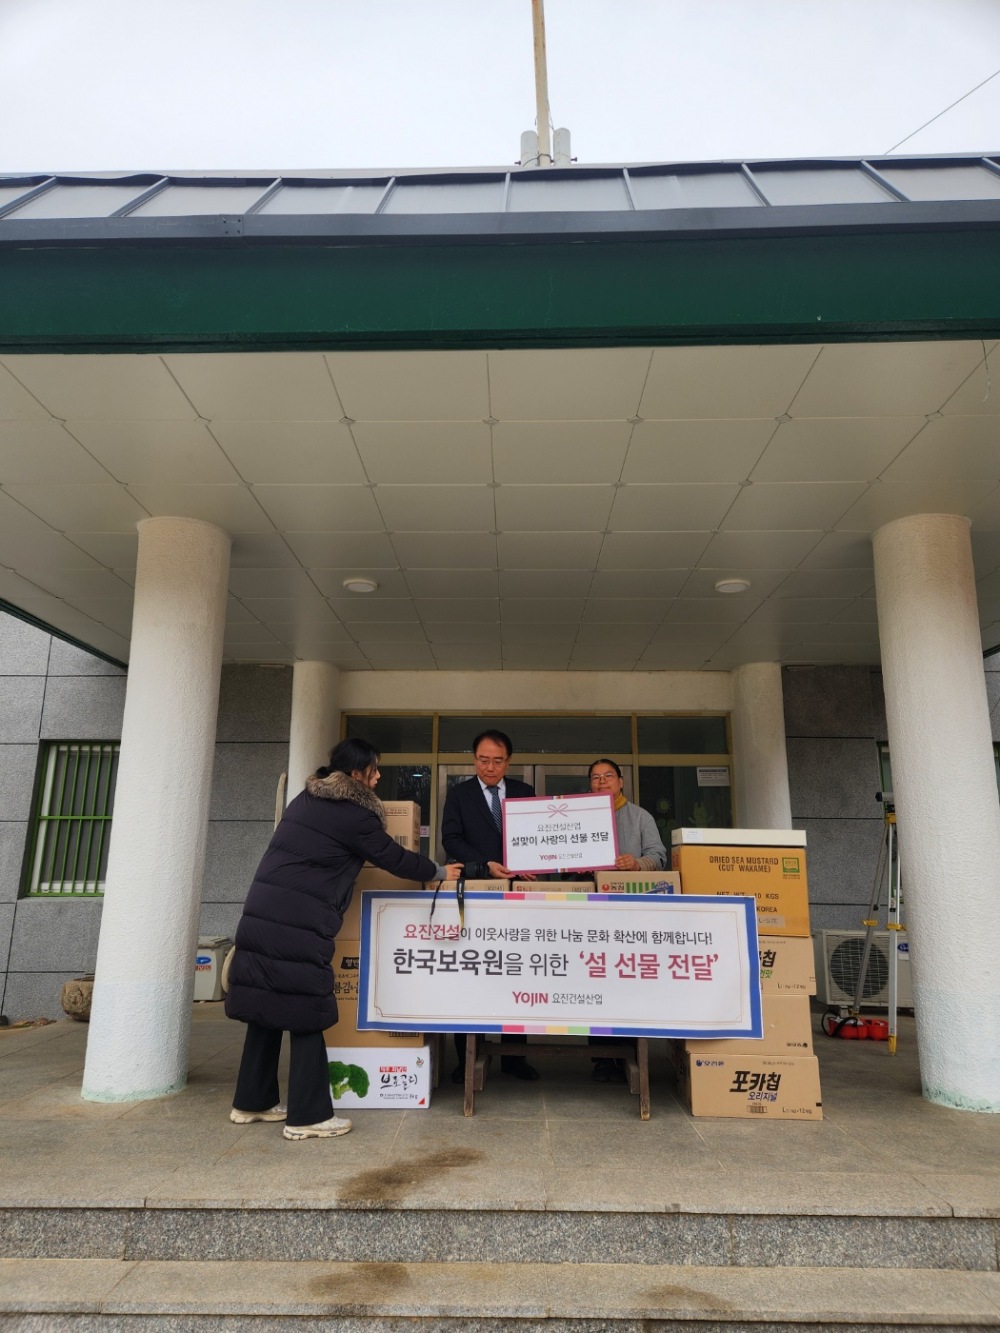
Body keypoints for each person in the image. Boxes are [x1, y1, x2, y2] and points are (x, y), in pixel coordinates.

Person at [226, 737, 461, 1139]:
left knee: (266, 1007)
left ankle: (252, 1102)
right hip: (298, 921)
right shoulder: (353, 814)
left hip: (263, 911)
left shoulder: (307, 799)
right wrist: (439, 871)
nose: (379, 776)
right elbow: (393, 857)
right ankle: (308, 1118)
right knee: (306, 1011)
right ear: (356, 774)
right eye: (374, 769)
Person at [441, 728, 540, 1083]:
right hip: (477, 893)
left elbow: (538, 838)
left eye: (497, 761)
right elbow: (451, 839)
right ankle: (466, 1057)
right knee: (473, 974)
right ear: (474, 759)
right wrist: (485, 864)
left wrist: (534, 862)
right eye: (483, 760)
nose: (490, 767)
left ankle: (514, 1057)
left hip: (518, 897)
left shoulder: (525, 793)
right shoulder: (459, 795)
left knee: (517, 970)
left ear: (508, 762)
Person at [587, 758, 668, 1082]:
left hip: (630, 917)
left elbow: (659, 856)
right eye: (596, 777)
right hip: (590, 914)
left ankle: (630, 1052)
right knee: (594, 981)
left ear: (621, 781)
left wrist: (636, 864)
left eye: (608, 776)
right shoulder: (580, 817)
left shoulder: (640, 816)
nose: (602, 782)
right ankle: (601, 1057)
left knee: (626, 981)